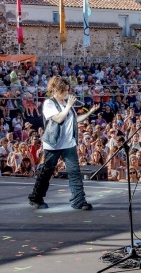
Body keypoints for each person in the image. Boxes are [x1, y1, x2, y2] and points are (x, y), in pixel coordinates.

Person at [28, 76, 99, 210]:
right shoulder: (49, 103)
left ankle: (79, 201)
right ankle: (36, 197)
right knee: (47, 171)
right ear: (55, 90)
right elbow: (59, 119)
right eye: (64, 91)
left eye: (67, 90)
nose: (66, 93)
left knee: (74, 172)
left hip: (68, 143)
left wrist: (89, 112)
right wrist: (68, 106)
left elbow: (74, 120)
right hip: (54, 144)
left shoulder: (67, 105)